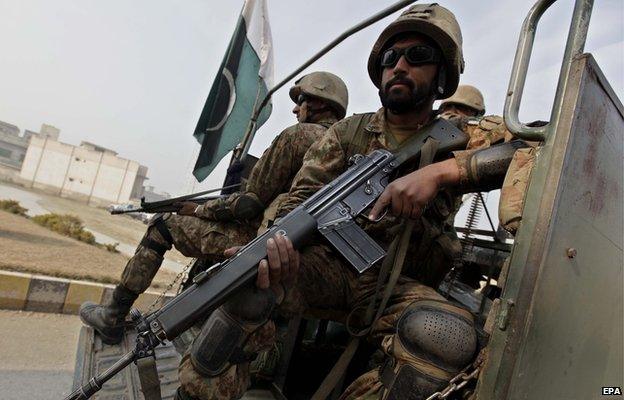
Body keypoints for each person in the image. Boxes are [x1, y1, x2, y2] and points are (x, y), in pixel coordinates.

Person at [177, 4, 525, 400]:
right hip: (327, 268)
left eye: (418, 56)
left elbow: (530, 148)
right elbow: (303, 197)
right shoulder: (349, 133)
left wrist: (439, 174)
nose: (400, 66)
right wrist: (273, 247)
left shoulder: (462, 135)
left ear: (442, 73)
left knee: (448, 336)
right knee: (246, 285)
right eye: (391, 57)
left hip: (396, 283)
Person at [79, 71, 349, 345]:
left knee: (163, 224)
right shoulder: (347, 148)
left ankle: (113, 315)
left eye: (301, 99)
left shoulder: (299, 136)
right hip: (305, 261)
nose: (295, 107)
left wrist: (198, 210)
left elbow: (248, 203)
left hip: (258, 248)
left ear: (319, 103)